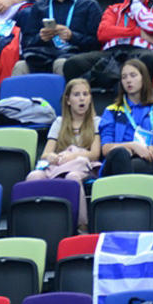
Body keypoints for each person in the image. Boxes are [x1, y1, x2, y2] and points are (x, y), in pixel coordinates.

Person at [26, 78, 100, 231]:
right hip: (59, 164)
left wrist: (73, 156)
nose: (82, 98)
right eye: (77, 95)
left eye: (85, 94)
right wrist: (52, 157)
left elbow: (94, 154)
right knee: (34, 176)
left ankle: (82, 226)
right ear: (68, 100)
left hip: (83, 166)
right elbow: (45, 154)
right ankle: (34, 224)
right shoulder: (59, 122)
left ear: (90, 98)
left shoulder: (96, 122)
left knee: (72, 176)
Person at [13, 0, 101, 75]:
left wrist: (72, 36)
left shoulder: (89, 6)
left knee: (60, 64)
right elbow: (26, 43)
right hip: (43, 56)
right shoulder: (39, 6)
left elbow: (96, 44)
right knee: (20, 66)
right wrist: (40, 37)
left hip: (74, 57)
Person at [98, 59, 153, 176]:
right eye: (124, 77)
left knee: (133, 163)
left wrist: (143, 151)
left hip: (150, 160)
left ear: (143, 78)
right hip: (116, 162)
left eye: (133, 75)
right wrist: (133, 147)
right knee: (120, 155)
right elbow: (106, 149)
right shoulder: (111, 111)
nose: (128, 80)